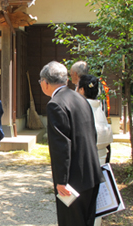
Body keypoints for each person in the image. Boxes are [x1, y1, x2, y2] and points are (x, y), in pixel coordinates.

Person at [39, 61, 104, 226]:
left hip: (73, 182)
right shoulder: (80, 98)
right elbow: (92, 135)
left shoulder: (55, 104)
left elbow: (61, 146)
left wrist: (61, 180)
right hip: (91, 174)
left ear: (45, 83)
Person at [78, 75, 113, 165]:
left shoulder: (80, 111)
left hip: (86, 160)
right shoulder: (100, 110)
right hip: (101, 156)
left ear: (81, 90)